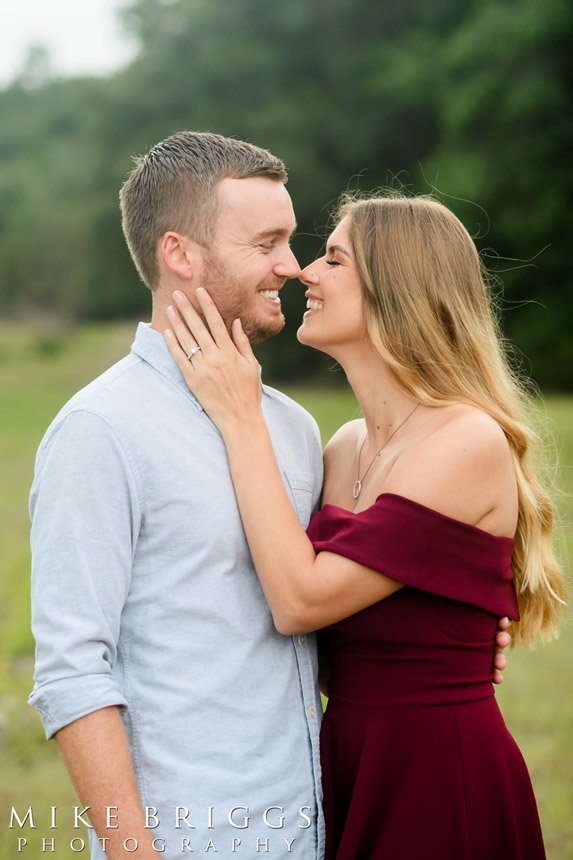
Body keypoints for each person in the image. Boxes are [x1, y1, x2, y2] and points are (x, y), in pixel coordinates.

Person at [28, 133, 509, 860]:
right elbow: (72, 669)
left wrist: (448, 634)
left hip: (319, 818)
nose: (294, 265)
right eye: (268, 242)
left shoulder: (288, 428)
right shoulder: (102, 430)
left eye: (303, 244)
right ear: (180, 255)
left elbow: (320, 598)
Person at [164, 193, 567, 860]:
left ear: (395, 286)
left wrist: (240, 415)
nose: (304, 275)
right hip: (344, 759)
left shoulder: (466, 439)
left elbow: (299, 602)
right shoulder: (343, 446)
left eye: (332, 258)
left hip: (435, 773)